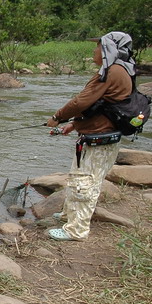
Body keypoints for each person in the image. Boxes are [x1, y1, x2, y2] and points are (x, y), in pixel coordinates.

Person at [45, 32, 136, 241]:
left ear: (109, 49)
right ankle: (69, 216)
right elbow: (101, 108)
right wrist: (74, 124)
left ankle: (76, 230)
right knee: (83, 179)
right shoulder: (120, 70)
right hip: (97, 137)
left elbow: (81, 102)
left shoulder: (112, 71)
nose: (94, 51)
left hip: (99, 140)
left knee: (84, 183)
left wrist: (57, 117)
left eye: (98, 47)